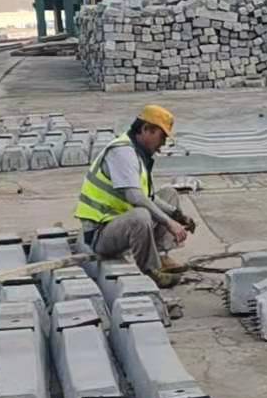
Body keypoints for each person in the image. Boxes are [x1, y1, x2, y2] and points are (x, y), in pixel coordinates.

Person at [75, 104, 196, 289]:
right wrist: (169, 222)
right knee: (141, 216)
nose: (163, 144)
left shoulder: (138, 153)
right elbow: (135, 197)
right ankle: (151, 271)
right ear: (146, 129)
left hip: (119, 221)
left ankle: (161, 257)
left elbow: (149, 197)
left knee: (169, 194)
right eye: (161, 137)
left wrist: (177, 215)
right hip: (101, 232)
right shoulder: (122, 152)